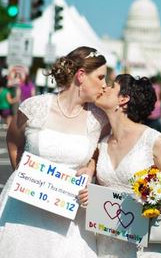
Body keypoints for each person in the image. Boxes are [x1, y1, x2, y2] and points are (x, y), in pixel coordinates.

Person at [0, 46, 109, 257]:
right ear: (81, 76)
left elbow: (102, 151)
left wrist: (90, 166)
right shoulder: (34, 107)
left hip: (69, 218)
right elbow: (13, 142)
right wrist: (26, 176)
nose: (105, 85)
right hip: (24, 211)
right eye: (101, 77)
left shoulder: (99, 119)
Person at [79, 74, 161, 257]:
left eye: (111, 86)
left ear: (123, 99)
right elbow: (95, 179)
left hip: (145, 244)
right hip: (107, 242)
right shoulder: (102, 143)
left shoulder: (152, 139)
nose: (104, 88)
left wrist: (156, 204)